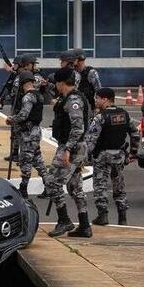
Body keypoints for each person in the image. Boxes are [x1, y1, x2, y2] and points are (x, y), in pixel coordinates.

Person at [47, 67, 91, 238]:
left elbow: (78, 128)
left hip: (72, 147)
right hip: (75, 147)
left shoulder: (73, 100)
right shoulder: (72, 97)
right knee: (75, 186)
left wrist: (67, 149)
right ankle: (85, 225)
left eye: (56, 83)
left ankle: (64, 220)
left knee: (52, 182)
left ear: (61, 83)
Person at [86, 88, 139, 226]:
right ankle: (122, 217)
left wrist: (85, 157)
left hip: (102, 156)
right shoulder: (124, 115)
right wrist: (133, 152)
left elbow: (91, 139)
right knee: (119, 185)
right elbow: (135, 133)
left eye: (97, 98)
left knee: (100, 185)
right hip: (119, 155)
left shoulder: (100, 117)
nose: (96, 101)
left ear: (105, 99)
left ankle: (102, 215)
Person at [7, 72, 51, 197]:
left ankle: (23, 188)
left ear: (22, 83)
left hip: (28, 133)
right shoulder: (39, 95)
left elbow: (23, 115)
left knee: (26, 160)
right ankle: (48, 186)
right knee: (37, 159)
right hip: (36, 132)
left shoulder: (27, 97)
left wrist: (11, 119)